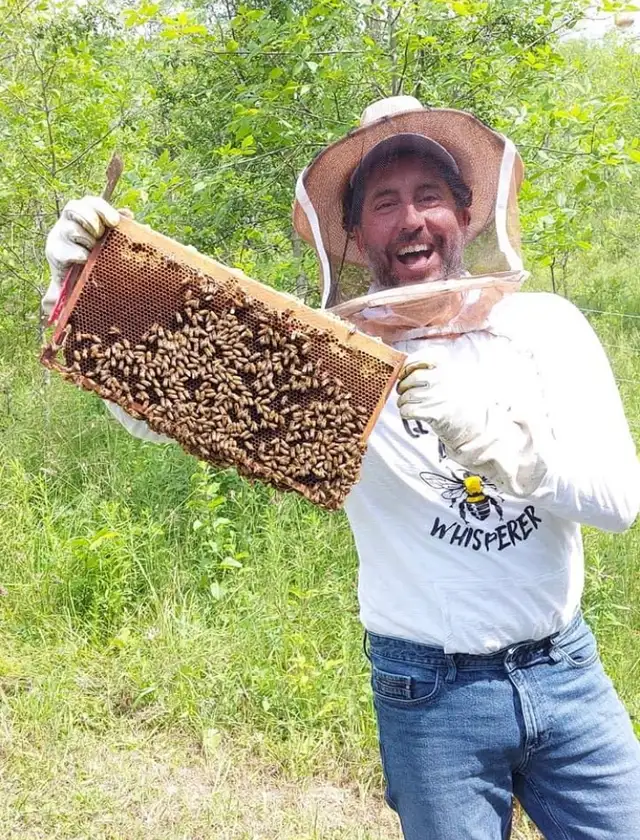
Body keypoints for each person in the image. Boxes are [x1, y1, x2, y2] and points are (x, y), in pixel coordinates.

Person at [43, 96, 640, 839]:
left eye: (429, 195)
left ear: (467, 211)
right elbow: (163, 398)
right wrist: (84, 284)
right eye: (384, 204)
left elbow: (617, 502)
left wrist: (494, 439)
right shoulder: (332, 364)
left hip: (567, 673)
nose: (410, 218)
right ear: (354, 237)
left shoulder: (545, 326)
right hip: (429, 691)